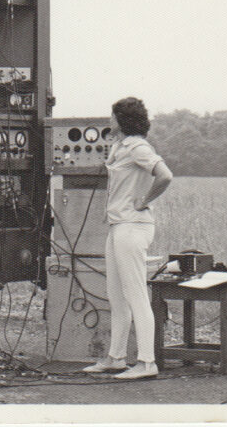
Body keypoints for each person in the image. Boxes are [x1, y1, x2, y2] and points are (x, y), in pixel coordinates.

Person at [83, 97, 174, 380]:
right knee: (116, 296)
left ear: (121, 120)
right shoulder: (120, 147)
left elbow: (165, 176)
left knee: (135, 294)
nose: (108, 121)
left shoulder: (138, 147)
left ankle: (147, 362)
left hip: (133, 226)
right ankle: (116, 357)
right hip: (119, 226)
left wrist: (144, 201)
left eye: (112, 117)